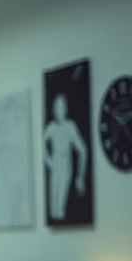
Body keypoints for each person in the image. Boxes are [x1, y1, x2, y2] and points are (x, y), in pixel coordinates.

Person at [43, 93, 87, 221]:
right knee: (53, 208)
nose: (58, 110)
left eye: (61, 107)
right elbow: (40, 143)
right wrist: (48, 160)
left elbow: (83, 151)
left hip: (65, 168)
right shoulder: (51, 127)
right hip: (55, 167)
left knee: (60, 207)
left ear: (65, 109)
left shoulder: (70, 126)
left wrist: (80, 176)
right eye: (56, 107)